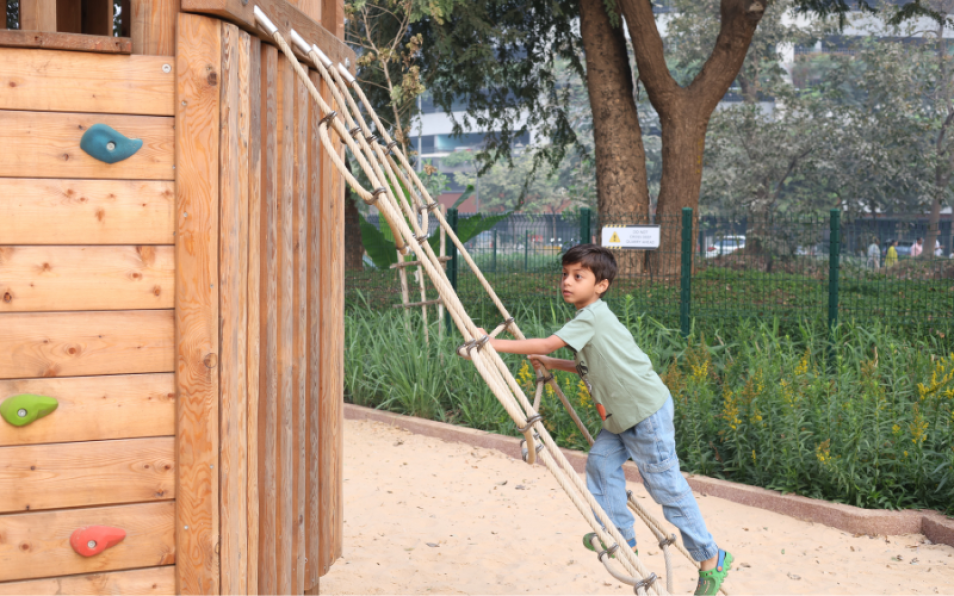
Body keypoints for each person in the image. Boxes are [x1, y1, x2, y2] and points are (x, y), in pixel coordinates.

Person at [479, 244, 731, 596]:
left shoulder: (592, 317)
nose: (567, 282)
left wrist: (492, 344)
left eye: (578, 276)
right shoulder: (587, 319)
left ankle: (711, 557)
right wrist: (552, 365)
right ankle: (622, 538)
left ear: (602, 285)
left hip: (644, 413)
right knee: (599, 464)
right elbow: (589, 364)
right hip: (620, 417)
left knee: (665, 486)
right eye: (564, 275)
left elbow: (550, 343)